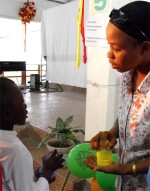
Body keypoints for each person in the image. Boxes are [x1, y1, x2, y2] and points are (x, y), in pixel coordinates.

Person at [84, 1, 150, 190]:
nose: (109, 54)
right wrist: (112, 133)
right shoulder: (127, 76)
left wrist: (126, 169)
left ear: (145, 48)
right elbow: (128, 114)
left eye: (117, 48)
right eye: (109, 46)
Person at [0, 77, 64, 191]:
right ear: (7, 113)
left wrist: (39, 174)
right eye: (22, 101)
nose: (25, 106)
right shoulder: (16, 151)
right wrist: (47, 171)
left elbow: (12, 182)